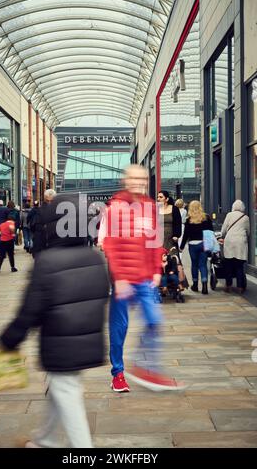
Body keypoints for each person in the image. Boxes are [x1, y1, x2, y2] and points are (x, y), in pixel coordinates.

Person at [0, 193, 109, 448]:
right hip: (88, 339)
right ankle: (45, 439)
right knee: (60, 388)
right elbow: (102, 296)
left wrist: (10, 339)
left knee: (65, 391)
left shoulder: (46, 261)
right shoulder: (94, 258)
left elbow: (30, 310)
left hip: (59, 343)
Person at [102, 165, 184, 392]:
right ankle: (118, 373)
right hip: (123, 279)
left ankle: (145, 368)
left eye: (142, 178)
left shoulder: (149, 206)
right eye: (134, 178)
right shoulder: (116, 206)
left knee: (154, 321)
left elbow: (154, 240)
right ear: (126, 180)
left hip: (145, 277)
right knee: (120, 328)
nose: (138, 182)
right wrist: (118, 278)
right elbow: (111, 243)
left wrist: (157, 269)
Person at [180, 200, 213, 294]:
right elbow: (211, 232)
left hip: (192, 245)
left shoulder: (188, 219)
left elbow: (186, 235)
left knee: (194, 264)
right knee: (203, 265)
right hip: (203, 244)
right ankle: (205, 286)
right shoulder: (206, 218)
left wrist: (181, 246)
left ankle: (195, 284)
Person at [220, 200, 250, 294]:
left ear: (233, 207)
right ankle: (240, 287)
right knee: (239, 266)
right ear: (243, 207)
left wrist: (222, 235)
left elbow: (224, 228)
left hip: (230, 241)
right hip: (240, 242)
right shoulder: (246, 217)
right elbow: (248, 231)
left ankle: (228, 286)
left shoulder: (229, 215)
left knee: (228, 265)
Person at [31, 189, 57, 257]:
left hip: (40, 245)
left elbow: (33, 226)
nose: (49, 203)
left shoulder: (39, 211)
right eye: (48, 201)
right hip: (53, 246)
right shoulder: (58, 211)